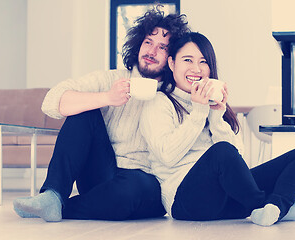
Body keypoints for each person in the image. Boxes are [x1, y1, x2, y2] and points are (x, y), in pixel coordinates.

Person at [13, 6, 190, 222]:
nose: (151, 52)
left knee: (135, 188)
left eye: (162, 47)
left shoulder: (175, 96)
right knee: (83, 109)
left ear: (172, 58)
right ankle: (53, 194)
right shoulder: (112, 79)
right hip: (101, 174)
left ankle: (61, 207)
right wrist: (106, 97)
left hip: (143, 184)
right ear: (138, 45)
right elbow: (51, 101)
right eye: (148, 42)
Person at [139, 32, 295, 226]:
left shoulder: (211, 106)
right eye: (188, 60)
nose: (196, 69)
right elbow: (167, 156)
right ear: (172, 64)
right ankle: (267, 206)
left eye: (203, 62)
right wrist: (199, 112)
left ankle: (275, 207)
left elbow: (237, 161)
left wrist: (216, 116)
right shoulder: (159, 102)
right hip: (186, 202)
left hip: (229, 199)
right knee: (221, 151)